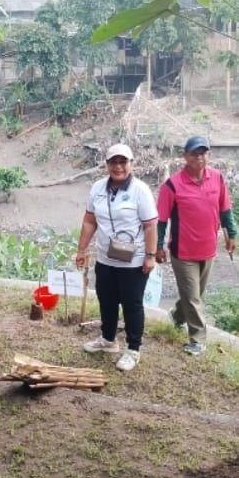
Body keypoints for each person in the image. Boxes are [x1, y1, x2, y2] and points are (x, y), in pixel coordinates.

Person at [75, 143, 158, 372]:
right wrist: (81, 250)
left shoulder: (140, 190)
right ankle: (108, 339)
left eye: (123, 162)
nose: (118, 166)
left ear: (132, 164)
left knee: (132, 304)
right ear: (107, 165)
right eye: (114, 162)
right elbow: (90, 221)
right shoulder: (97, 188)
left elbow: (151, 226)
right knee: (107, 299)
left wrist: (150, 256)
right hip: (106, 257)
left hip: (134, 259)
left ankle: (133, 349)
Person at [155, 135, 237, 356]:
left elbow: (225, 210)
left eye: (203, 153)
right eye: (194, 153)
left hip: (209, 249)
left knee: (195, 295)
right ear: (185, 156)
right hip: (183, 252)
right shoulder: (172, 185)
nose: (199, 157)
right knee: (193, 297)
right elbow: (161, 220)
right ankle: (197, 340)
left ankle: (176, 315)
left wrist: (232, 234)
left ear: (207, 155)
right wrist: (158, 246)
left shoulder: (217, 179)